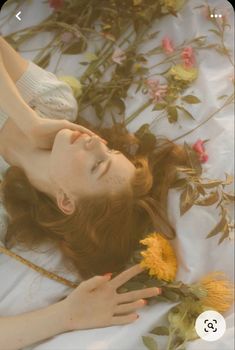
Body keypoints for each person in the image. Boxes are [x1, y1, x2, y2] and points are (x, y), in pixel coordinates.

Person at [0, 36, 190, 349]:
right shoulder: (53, 103)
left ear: (65, 201)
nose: (96, 143)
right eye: (111, 151)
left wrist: (66, 316)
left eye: (96, 167)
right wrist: (28, 120)